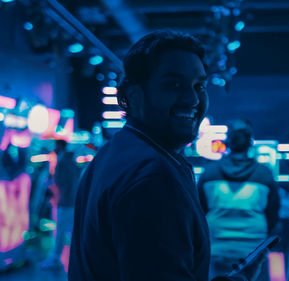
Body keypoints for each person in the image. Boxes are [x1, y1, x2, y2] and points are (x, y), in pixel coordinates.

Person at [69, 30, 263, 281]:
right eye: (174, 84)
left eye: (199, 86)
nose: (192, 98)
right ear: (133, 95)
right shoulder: (153, 177)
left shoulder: (116, 153)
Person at [198, 119, 280, 280]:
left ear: (228, 141)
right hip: (254, 251)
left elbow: (199, 212)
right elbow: (273, 215)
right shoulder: (264, 174)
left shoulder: (209, 173)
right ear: (250, 142)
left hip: (216, 250)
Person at [40, 140, 79, 270]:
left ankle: (55, 258)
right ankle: (76, 257)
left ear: (59, 146)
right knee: (70, 230)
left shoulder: (62, 163)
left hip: (64, 202)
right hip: (71, 201)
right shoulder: (72, 162)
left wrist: (50, 187)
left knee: (60, 231)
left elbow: (61, 184)